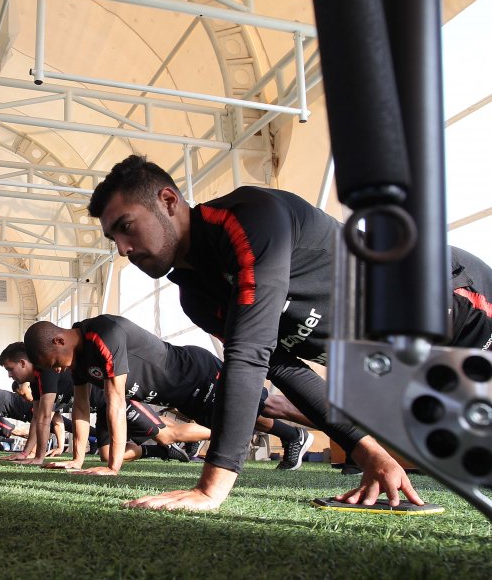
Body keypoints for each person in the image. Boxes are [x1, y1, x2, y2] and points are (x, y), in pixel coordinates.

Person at [86, 154, 428, 510]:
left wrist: (211, 488)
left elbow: (250, 354)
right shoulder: (197, 299)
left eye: (126, 226)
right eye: (113, 238)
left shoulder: (248, 218)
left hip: (448, 305)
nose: (123, 249)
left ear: (169, 202)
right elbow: (281, 368)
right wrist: (369, 450)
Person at [24, 315, 312, 476]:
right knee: (242, 419)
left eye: (54, 362)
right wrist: (76, 459)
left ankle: (341, 427)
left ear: (59, 340)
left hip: (195, 372)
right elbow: (82, 409)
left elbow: (115, 401)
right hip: (181, 396)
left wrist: (113, 467)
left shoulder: (102, 333)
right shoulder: (78, 362)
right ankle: (293, 436)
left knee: (271, 405)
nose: (58, 369)